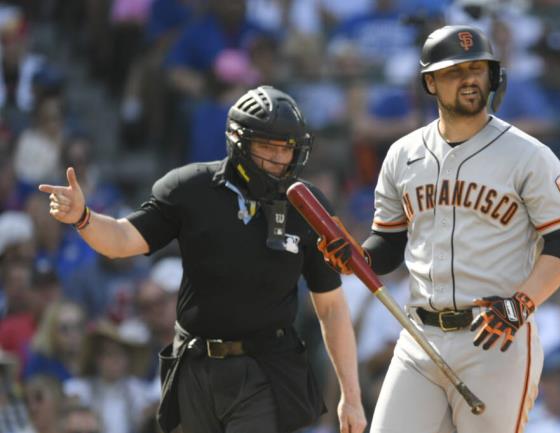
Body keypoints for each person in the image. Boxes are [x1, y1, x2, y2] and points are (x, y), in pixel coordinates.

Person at [39, 85, 366, 433]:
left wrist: (352, 395)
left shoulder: (308, 206)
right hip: (194, 367)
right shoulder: (190, 188)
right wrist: (83, 217)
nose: (278, 159)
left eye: (286, 149)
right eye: (266, 147)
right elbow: (122, 239)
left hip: (265, 369)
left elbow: (331, 306)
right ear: (239, 142)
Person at [317, 25, 560, 433]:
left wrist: (521, 304)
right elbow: (389, 244)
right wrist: (358, 258)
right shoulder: (402, 154)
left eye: (478, 68)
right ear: (430, 82)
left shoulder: (530, 155)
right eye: (454, 71)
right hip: (418, 336)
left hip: (496, 335)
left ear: (493, 76)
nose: (469, 79)